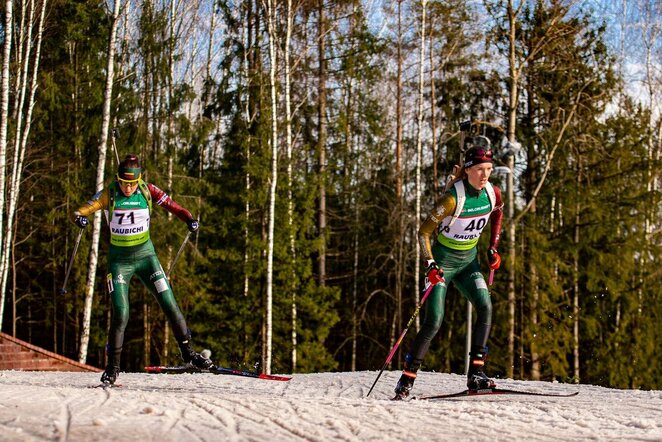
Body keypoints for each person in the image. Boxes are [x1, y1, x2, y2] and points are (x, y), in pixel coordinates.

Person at [73, 154, 213, 385]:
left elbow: (174, 206)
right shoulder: (110, 193)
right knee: (122, 313)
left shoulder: (147, 190)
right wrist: (79, 218)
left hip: (148, 258)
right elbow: (83, 209)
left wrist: (189, 218)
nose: (127, 188)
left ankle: (189, 354)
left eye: (132, 183)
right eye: (123, 182)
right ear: (117, 179)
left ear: (138, 181)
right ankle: (112, 368)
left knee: (169, 302)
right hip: (120, 263)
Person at [394, 137, 504, 399]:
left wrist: (494, 247)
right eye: (479, 170)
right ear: (467, 170)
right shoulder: (453, 200)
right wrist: (430, 264)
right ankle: (406, 380)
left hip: (468, 264)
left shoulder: (492, 193)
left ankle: (476, 374)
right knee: (434, 320)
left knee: (486, 305)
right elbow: (423, 233)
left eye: (489, 169)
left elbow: (498, 213)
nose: (484, 175)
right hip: (442, 265)